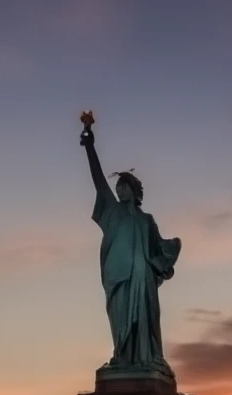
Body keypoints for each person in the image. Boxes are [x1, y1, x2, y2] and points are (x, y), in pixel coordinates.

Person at [80, 119, 182, 371]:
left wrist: (167, 261)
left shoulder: (147, 221)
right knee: (122, 322)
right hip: (120, 278)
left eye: (124, 186)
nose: (119, 190)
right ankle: (124, 358)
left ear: (134, 190)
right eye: (118, 187)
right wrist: (89, 147)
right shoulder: (112, 212)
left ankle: (148, 360)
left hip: (143, 278)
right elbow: (98, 181)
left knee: (147, 320)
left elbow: (159, 250)